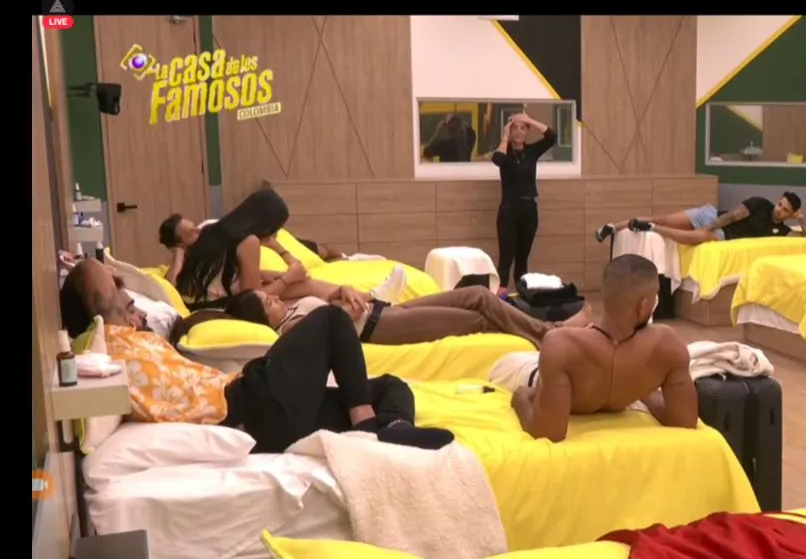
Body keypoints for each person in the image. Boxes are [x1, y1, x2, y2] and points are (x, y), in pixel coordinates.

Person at [61, 259, 453, 453]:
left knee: (390, 386)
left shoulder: (130, 342)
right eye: (123, 299)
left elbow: (100, 288)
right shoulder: (108, 342)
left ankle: (391, 430)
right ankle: (369, 430)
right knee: (331, 320)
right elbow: (90, 275)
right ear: (99, 311)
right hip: (248, 404)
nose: (135, 309)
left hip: (272, 420)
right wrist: (102, 270)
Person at [488, 255, 698, 443]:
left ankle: (570, 323)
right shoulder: (668, 344)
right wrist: (644, 392)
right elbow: (685, 420)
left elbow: (549, 433)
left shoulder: (561, 345)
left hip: (535, 371)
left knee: (515, 356)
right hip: (538, 369)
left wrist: (521, 397)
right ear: (644, 306)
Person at [183, 284, 593, 349]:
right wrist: (343, 304)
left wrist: (343, 290)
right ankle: (551, 335)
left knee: (478, 295)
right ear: (262, 319)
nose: (273, 298)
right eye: (266, 301)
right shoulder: (289, 329)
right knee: (478, 321)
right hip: (378, 327)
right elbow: (338, 324)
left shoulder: (290, 309)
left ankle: (549, 330)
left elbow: (331, 294)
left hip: (383, 309)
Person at [174, 188, 340, 310]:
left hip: (194, 301)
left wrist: (263, 274)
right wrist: (288, 278)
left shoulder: (213, 229)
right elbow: (253, 299)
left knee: (303, 289)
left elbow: (218, 273)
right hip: (213, 307)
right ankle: (348, 300)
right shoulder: (249, 241)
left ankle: (344, 297)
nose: (275, 234)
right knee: (305, 287)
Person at [593, 192, 806, 247]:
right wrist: (710, 225)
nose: (779, 209)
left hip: (725, 235)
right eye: (780, 204)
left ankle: (650, 228)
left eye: (785, 210)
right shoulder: (760, 203)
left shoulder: (782, 231)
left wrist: (801, 219)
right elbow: (733, 215)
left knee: (701, 237)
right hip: (713, 217)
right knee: (665, 218)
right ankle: (612, 227)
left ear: (791, 214)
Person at [492, 112, 558, 293]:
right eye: (515, 128)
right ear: (509, 130)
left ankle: (522, 295)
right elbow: (498, 160)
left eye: (523, 128)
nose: (519, 132)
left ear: (527, 131)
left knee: (522, 258)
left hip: (529, 209)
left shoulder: (532, 151)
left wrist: (529, 120)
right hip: (509, 210)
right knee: (506, 256)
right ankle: (500, 295)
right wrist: (505, 137)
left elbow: (552, 137)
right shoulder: (505, 152)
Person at [161, 214, 345, 264]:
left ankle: (346, 258)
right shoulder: (192, 261)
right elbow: (173, 283)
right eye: (191, 233)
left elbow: (263, 236)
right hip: (264, 255)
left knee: (324, 252)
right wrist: (179, 254)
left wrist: (285, 254)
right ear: (181, 244)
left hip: (275, 242)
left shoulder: (211, 227)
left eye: (194, 225)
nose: (198, 230)